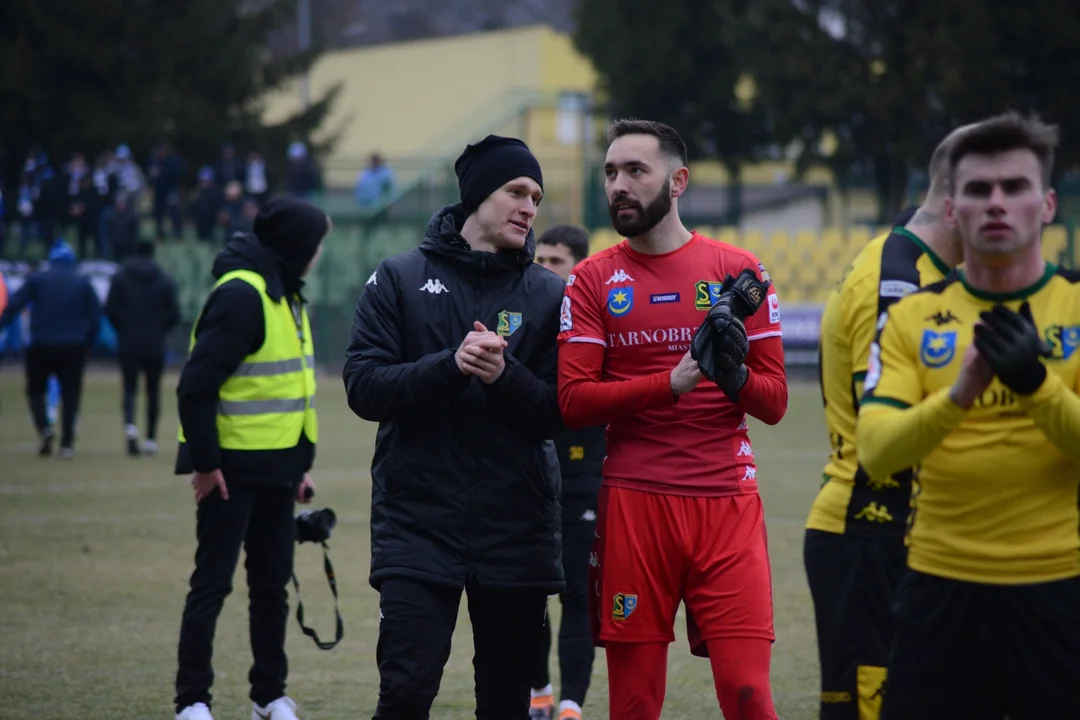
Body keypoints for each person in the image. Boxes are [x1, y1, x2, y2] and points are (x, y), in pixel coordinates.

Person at [557, 119, 787, 719]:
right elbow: (574, 400)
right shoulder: (592, 279)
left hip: (725, 503)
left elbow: (776, 402)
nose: (618, 186)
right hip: (634, 503)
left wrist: (732, 376)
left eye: (635, 171)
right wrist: (671, 383)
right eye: (610, 173)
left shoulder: (739, 272)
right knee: (633, 703)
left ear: (678, 180)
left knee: (748, 693)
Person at [857, 112, 1080, 719]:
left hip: (1060, 584)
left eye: (1016, 187)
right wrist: (958, 396)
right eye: (979, 189)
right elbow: (876, 451)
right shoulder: (910, 318)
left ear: (1048, 204)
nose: (997, 202)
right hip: (940, 585)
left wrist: (1036, 385)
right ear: (952, 209)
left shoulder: (1077, 307)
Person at [343, 134, 566, 720]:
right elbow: (363, 387)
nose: (529, 207)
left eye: (537, 197)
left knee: (504, 702)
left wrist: (503, 374)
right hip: (419, 522)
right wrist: (451, 365)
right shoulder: (398, 277)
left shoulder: (550, 295)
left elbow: (560, 411)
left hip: (515, 526)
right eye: (516, 191)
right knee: (407, 692)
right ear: (475, 197)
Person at [803, 123, 979, 719]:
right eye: (992, 192)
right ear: (957, 203)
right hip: (870, 527)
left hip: (894, 532)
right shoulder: (898, 283)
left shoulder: (913, 261)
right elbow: (888, 430)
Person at [172, 197, 329, 720]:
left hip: (279, 472)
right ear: (296, 247)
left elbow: (292, 391)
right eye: (316, 245)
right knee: (211, 587)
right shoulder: (243, 294)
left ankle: (269, 694)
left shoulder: (285, 293)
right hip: (229, 473)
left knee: (272, 590)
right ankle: (192, 701)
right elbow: (195, 387)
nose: (319, 256)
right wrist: (204, 464)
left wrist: (300, 466)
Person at [530, 225, 605, 720]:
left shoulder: (599, 319)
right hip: (529, 475)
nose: (544, 269)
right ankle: (538, 692)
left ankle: (572, 705)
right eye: (539, 259)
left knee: (579, 594)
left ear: (578, 267)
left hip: (584, 478)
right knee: (526, 591)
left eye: (555, 261)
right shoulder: (525, 317)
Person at [0, 240, 100, 458]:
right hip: (73, 346)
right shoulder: (82, 282)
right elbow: (95, 318)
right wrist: (89, 345)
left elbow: (14, 306)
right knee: (71, 395)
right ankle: (67, 444)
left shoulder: (37, 279)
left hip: (41, 345)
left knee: (36, 390)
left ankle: (44, 428)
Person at [105, 239, 181, 456]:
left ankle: (130, 427)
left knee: (129, 387)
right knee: (153, 390)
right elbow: (174, 313)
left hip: (128, 341)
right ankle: (150, 439)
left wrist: (123, 328)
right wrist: (160, 330)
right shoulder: (164, 278)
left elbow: (110, 308)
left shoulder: (120, 277)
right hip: (154, 343)